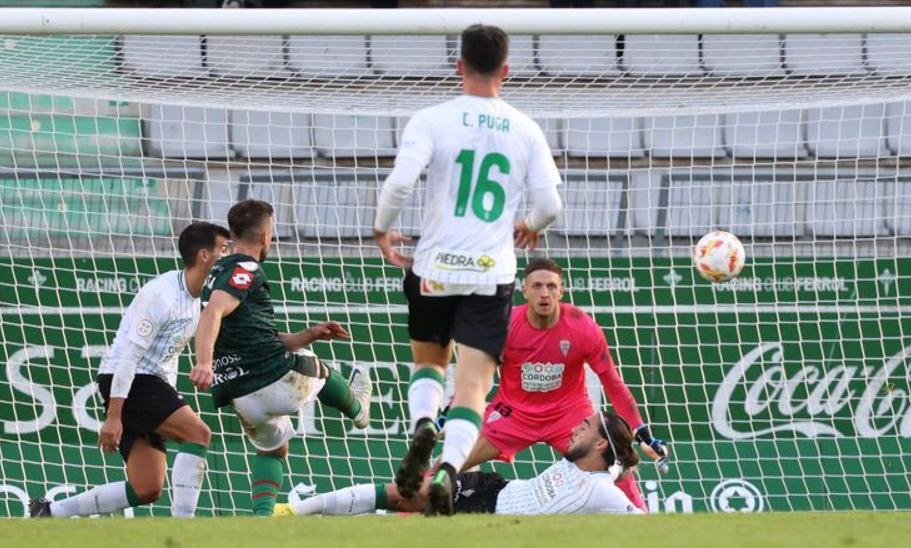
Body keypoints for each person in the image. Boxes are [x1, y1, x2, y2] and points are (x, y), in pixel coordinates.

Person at [371, 23, 563, 516]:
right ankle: (451, 470)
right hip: (489, 272)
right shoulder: (525, 127)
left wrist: (382, 230)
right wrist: (531, 225)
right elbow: (550, 204)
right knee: (473, 386)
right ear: (506, 70)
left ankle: (421, 427)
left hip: (433, 265)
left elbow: (398, 186)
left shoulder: (433, 118)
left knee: (431, 365)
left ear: (459, 66)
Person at [29, 222, 230, 518]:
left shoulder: (203, 299)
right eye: (224, 250)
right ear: (203, 255)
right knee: (198, 434)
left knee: (147, 487)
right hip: (130, 379)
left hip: (149, 383)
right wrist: (113, 416)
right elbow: (128, 356)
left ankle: (49, 513)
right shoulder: (161, 294)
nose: (229, 256)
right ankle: (186, 528)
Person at [191, 199, 372, 516]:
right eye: (271, 234)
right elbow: (213, 312)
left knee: (273, 451)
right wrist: (203, 363)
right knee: (319, 368)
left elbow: (262, 337)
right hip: (274, 378)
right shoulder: (245, 269)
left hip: (243, 394)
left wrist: (310, 332)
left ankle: (262, 518)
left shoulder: (215, 271)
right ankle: (358, 409)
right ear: (264, 237)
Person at [458, 258, 670, 510]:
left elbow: (612, 383)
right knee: (451, 461)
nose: (544, 293)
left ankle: (644, 523)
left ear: (561, 290)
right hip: (513, 413)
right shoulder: (504, 326)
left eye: (551, 286)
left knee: (619, 470)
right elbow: (476, 375)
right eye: (536, 286)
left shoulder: (584, 329)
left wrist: (641, 432)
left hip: (568, 415)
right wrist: (452, 412)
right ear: (524, 290)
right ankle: (407, 516)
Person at [276, 412, 642, 516]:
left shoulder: (600, 490)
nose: (576, 428)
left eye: (586, 426)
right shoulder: (579, 464)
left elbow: (639, 524)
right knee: (405, 493)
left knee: (406, 500)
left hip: (493, 519)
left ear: (599, 443)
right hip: (493, 491)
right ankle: (296, 511)